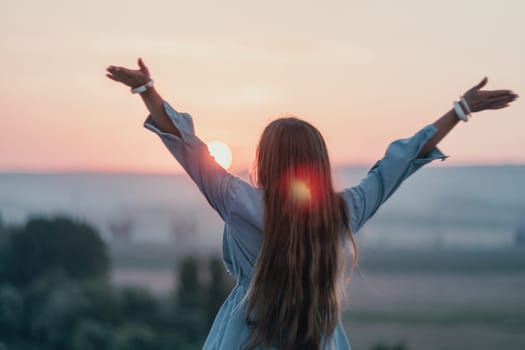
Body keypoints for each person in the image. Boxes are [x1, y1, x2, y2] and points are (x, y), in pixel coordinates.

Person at [106, 58, 518, 350]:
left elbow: (187, 148)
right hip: (320, 337)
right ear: (318, 164)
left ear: (265, 161)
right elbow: (398, 163)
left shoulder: (238, 201)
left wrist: (146, 90)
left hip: (244, 336)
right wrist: (458, 111)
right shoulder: (342, 211)